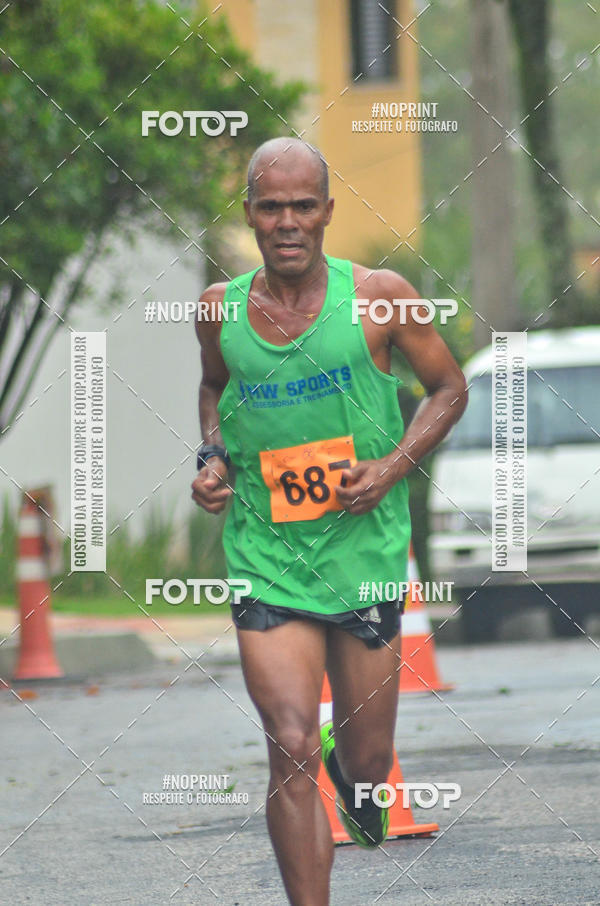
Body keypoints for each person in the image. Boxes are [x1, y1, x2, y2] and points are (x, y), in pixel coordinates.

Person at [191, 137, 468, 906]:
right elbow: (214, 389)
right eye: (271, 206)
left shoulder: (380, 297)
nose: (287, 221)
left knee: (370, 761)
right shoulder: (219, 309)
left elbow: (448, 389)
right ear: (249, 213)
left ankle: (361, 782)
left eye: (302, 206)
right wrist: (211, 458)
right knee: (287, 745)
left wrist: (390, 468)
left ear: (327, 213)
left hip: (365, 551)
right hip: (267, 548)